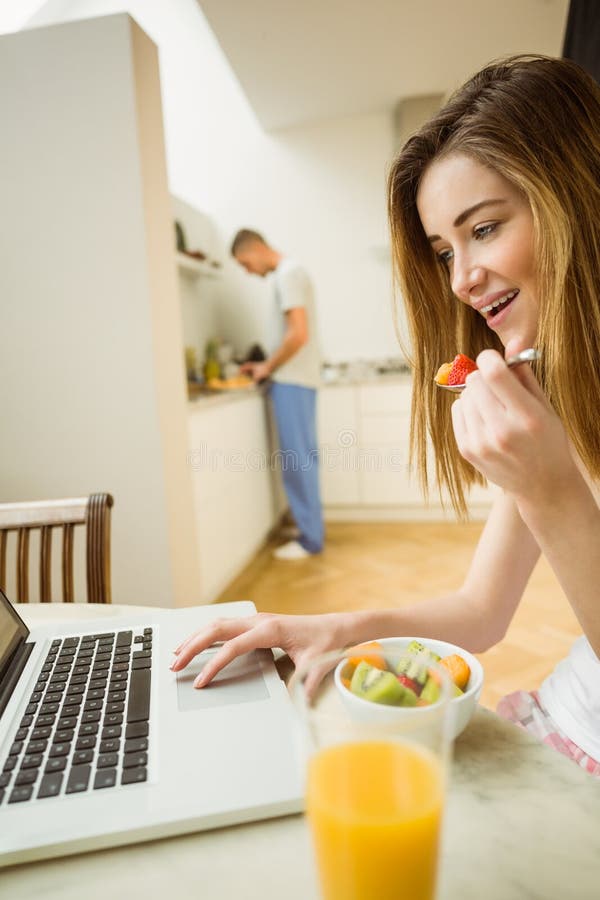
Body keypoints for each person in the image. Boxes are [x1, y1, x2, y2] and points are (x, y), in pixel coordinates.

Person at [172, 57, 600, 775]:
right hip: (561, 716)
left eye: (486, 228)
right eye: (443, 251)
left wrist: (552, 490)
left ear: (577, 197)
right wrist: (329, 628)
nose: (462, 279)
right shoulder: (554, 391)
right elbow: (480, 612)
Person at [231, 229, 324, 560]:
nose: (248, 271)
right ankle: (308, 528)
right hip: (296, 380)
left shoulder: (288, 274)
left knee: (298, 461)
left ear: (256, 249)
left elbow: (298, 334)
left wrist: (267, 366)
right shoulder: (290, 274)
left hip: (292, 381)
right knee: (302, 459)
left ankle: (310, 539)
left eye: (245, 263)